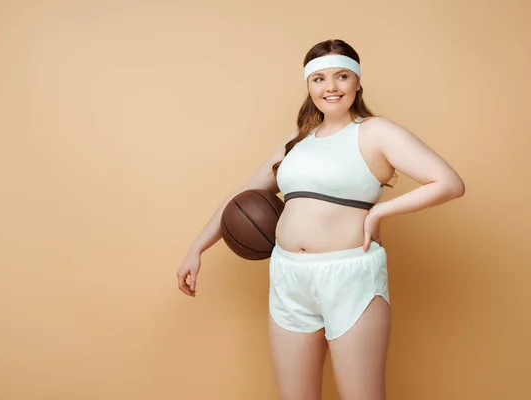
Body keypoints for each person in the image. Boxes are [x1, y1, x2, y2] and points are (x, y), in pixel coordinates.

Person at [176, 39, 465, 400]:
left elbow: (449, 183)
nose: (330, 87)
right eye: (319, 79)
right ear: (308, 86)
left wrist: (379, 211)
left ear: (357, 83)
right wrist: (197, 248)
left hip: (350, 277)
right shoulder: (296, 143)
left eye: (341, 76)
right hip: (289, 276)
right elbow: (240, 198)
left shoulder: (375, 132)